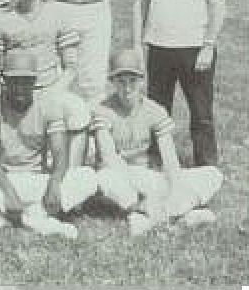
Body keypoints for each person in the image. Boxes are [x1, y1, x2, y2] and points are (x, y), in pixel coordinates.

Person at [0, 50, 98, 239]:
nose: (20, 88)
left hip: (37, 181)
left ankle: (9, 219)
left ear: (34, 81)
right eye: (14, 81)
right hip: (2, 181)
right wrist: (9, 193)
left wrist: (54, 183)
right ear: (4, 82)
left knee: (87, 176)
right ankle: (36, 220)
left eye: (26, 81)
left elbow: (60, 155)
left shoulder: (49, 105)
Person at [133, 0, 227, 167]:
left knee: (201, 111)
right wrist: (137, 45)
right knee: (157, 109)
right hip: (159, 47)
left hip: (195, 48)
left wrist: (208, 45)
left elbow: (218, 5)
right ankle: (156, 161)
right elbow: (139, 4)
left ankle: (206, 166)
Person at [91, 49, 223, 235]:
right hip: (120, 175)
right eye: (121, 82)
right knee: (106, 177)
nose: (127, 88)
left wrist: (175, 187)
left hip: (148, 176)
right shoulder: (102, 110)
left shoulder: (155, 110)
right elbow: (109, 158)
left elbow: (170, 160)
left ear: (142, 81)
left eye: (132, 81)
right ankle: (173, 213)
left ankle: (151, 215)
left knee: (212, 174)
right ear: (112, 82)